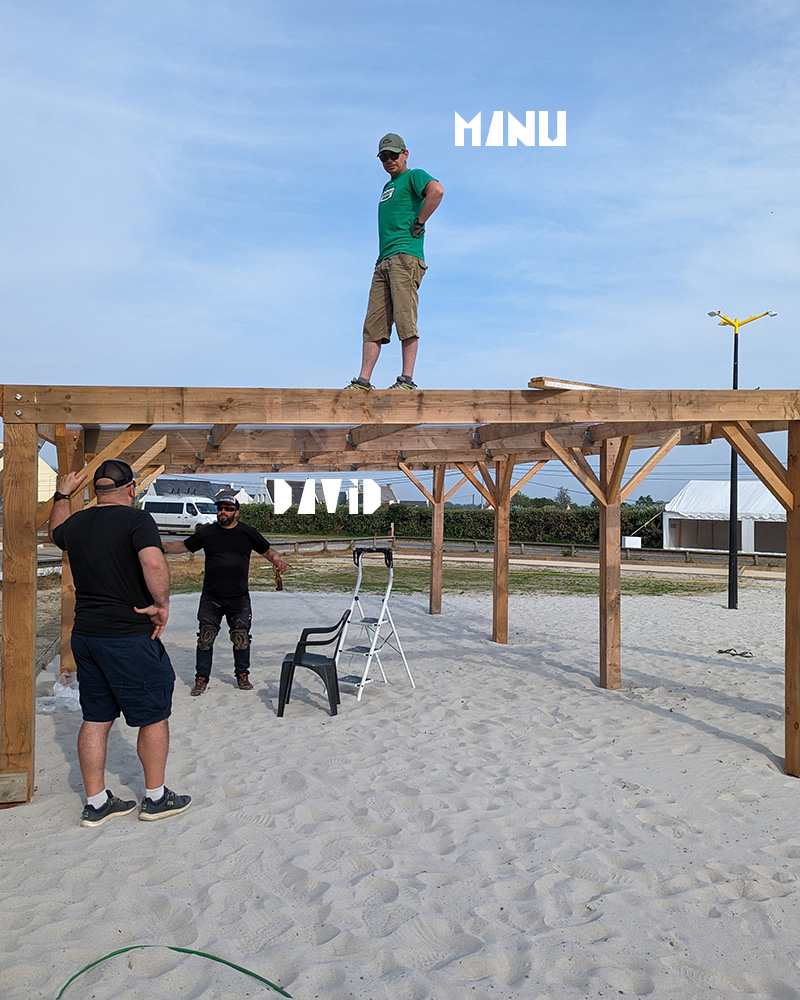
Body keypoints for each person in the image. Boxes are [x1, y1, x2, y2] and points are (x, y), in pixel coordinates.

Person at [49, 459, 191, 827]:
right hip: (128, 634)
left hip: (86, 636)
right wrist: (161, 605)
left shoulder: (76, 523)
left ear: (97, 491)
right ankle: (156, 798)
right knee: (154, 714)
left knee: (95, 717)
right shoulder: (136, 520)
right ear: (131, 489)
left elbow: (55, 532)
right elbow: (154, 563)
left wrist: (62, 493)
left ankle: (96, 803)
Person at [347, 132, 444, 392]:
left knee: (404, 318)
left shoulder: (413, 176)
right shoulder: (387, 187)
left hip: (405, 257)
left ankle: (406, 380)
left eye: (394, 155)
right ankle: (363, 381)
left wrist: (420, 222)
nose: (389, 160)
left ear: (405, 154)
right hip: (384, 260)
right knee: (373, 323)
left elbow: (437, 190)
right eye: (384, 157)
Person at [162, 498, 289, 696]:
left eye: (228, 509)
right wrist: (161, 546)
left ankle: (242, 675)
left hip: (239, 596)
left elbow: (267, 550)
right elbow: (184, 546)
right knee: (206, 637)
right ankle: (201, 678)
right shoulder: (207, 532)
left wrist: (277, 559)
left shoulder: (247, 532)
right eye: (220, 508)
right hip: (211, 596)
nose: (223, 512)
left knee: (241, 637)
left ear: (236, 512)